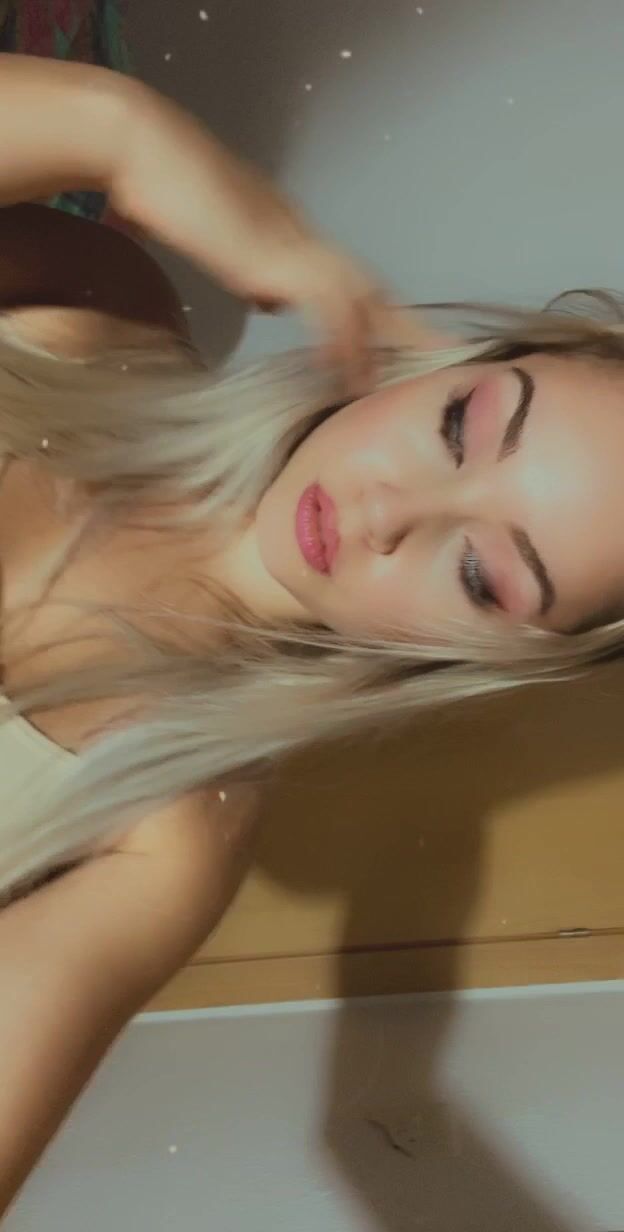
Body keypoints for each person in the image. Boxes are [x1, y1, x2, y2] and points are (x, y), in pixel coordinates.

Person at [0, 38, 622, 1223]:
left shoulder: (170, 837)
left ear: (486, 652)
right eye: (460, 428)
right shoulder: (93, 302)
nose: (388, 512)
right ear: (436, 368)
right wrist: (115, 124)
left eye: (482, 571)